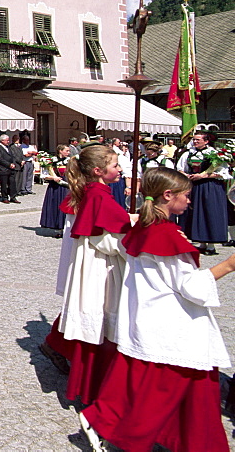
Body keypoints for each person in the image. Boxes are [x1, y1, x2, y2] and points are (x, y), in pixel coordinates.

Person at [79, 168, 232, 452]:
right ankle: (106, 423)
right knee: (174, 394)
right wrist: (229, 265)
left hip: (153, 318)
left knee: (165, 392)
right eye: (186, 195)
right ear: (167, 195)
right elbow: (192, 288)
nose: (190, 201)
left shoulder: (146, 229)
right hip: (173, 324)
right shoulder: (167, 235)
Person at [44, 145, 134, 405]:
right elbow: (104, 241)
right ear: (98, 170)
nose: (120, 169)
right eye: (116, 166)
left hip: (96, 263)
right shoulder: (98, 198)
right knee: (101, 322)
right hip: (99, 268)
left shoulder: (96, 194)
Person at [176, 131, 230, 255]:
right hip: (193, 185)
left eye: (198, 140)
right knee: (195, 212)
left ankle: (211, 244)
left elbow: (223, 172)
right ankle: (201, 242)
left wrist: (204, 175)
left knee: (210, 211)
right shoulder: (188, 153)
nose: (195, 142)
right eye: (194, 139)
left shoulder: (215, 154)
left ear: (206, 141)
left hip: (210, 186)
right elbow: (180, 168)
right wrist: (186, 175)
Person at [39, 145, 71, 232]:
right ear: (60, 151)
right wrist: (53, 178)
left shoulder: (69, 161)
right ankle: (58, 228)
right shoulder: (51, 161)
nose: (68, 153)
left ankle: (66, 227)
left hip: (66, 186)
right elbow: (44, 175)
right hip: (55, 187)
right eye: (67, 151)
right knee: (57, 205)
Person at [0, 134, 21, 204]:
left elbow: (12, 156)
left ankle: (13, 196)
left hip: (11, 169)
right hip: (3, 169)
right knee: (4, 184)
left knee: (12, 183)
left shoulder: (8, 147)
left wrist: (13, 163)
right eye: (7, 140)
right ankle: (4, 197)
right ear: (2, 140)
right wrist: (9, 164)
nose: (8, 141)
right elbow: (0, 159)